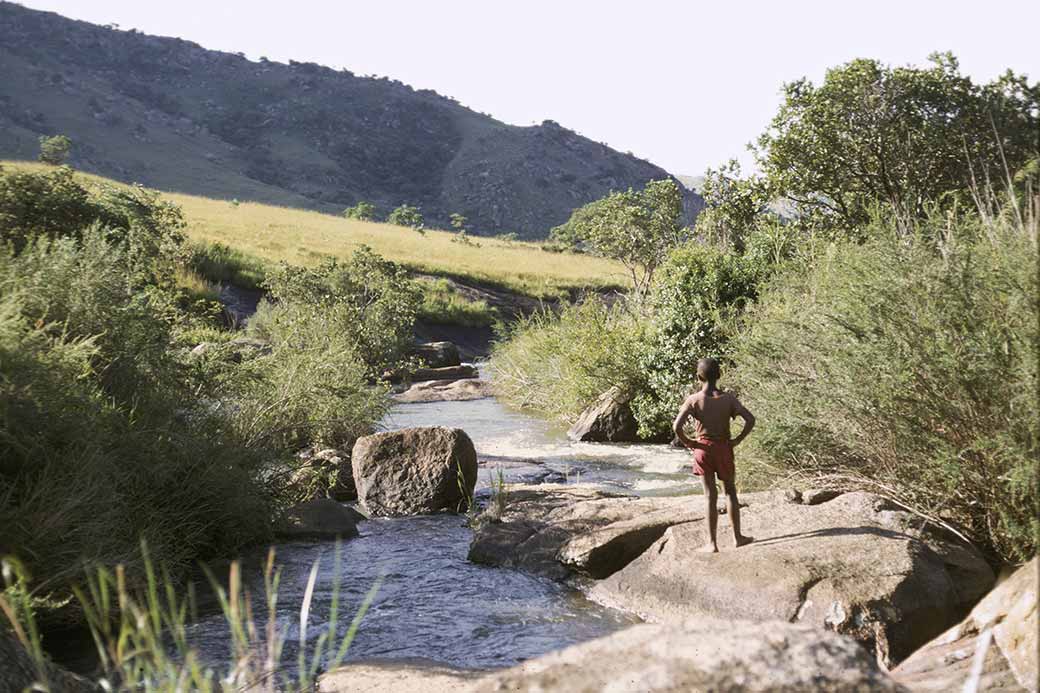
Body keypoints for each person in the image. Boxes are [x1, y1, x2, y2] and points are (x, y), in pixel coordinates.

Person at [672, 357, 756, 553]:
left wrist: (690, 443)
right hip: (724, 447)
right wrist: (737, 440)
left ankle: (711, 543)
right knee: (730, 492)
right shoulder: (729, 399)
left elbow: (677, 427)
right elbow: (750, 419)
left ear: (698, 377)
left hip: (703, 449)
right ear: (719, 375)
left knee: (710, 496)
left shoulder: (693, 400)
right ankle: (737, 538)